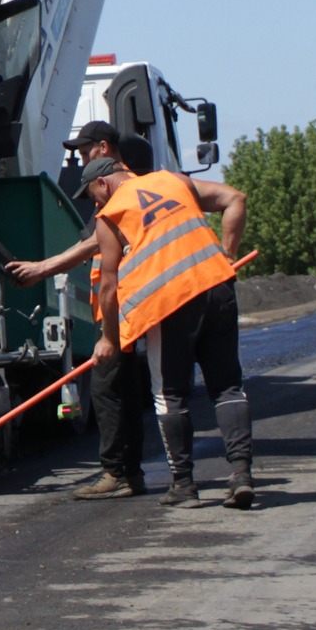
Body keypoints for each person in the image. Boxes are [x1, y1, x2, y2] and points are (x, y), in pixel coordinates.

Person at [83, 155, 254, 509]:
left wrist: (110, 339)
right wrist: (228, 253)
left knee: (169, 395)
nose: (95, 203)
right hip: (217, 285)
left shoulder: (110, 214)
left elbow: (109, 286)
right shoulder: (174, 180)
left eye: (92, 196)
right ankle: (241, 474)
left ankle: (184, 485)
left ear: (103, 183)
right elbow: (235, 198)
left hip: (170, 303)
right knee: (228, 387)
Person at [7, 120, 156, 499]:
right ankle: (130, 473)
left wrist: (42, 268)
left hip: (121, 309)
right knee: (123, 392)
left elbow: (92, 245)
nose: (81, 161)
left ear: (103, 148)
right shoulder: (130, 189)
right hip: (126, 308)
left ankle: (116, 474)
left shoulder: (119, 193)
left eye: (85, 152)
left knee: (107, 391)